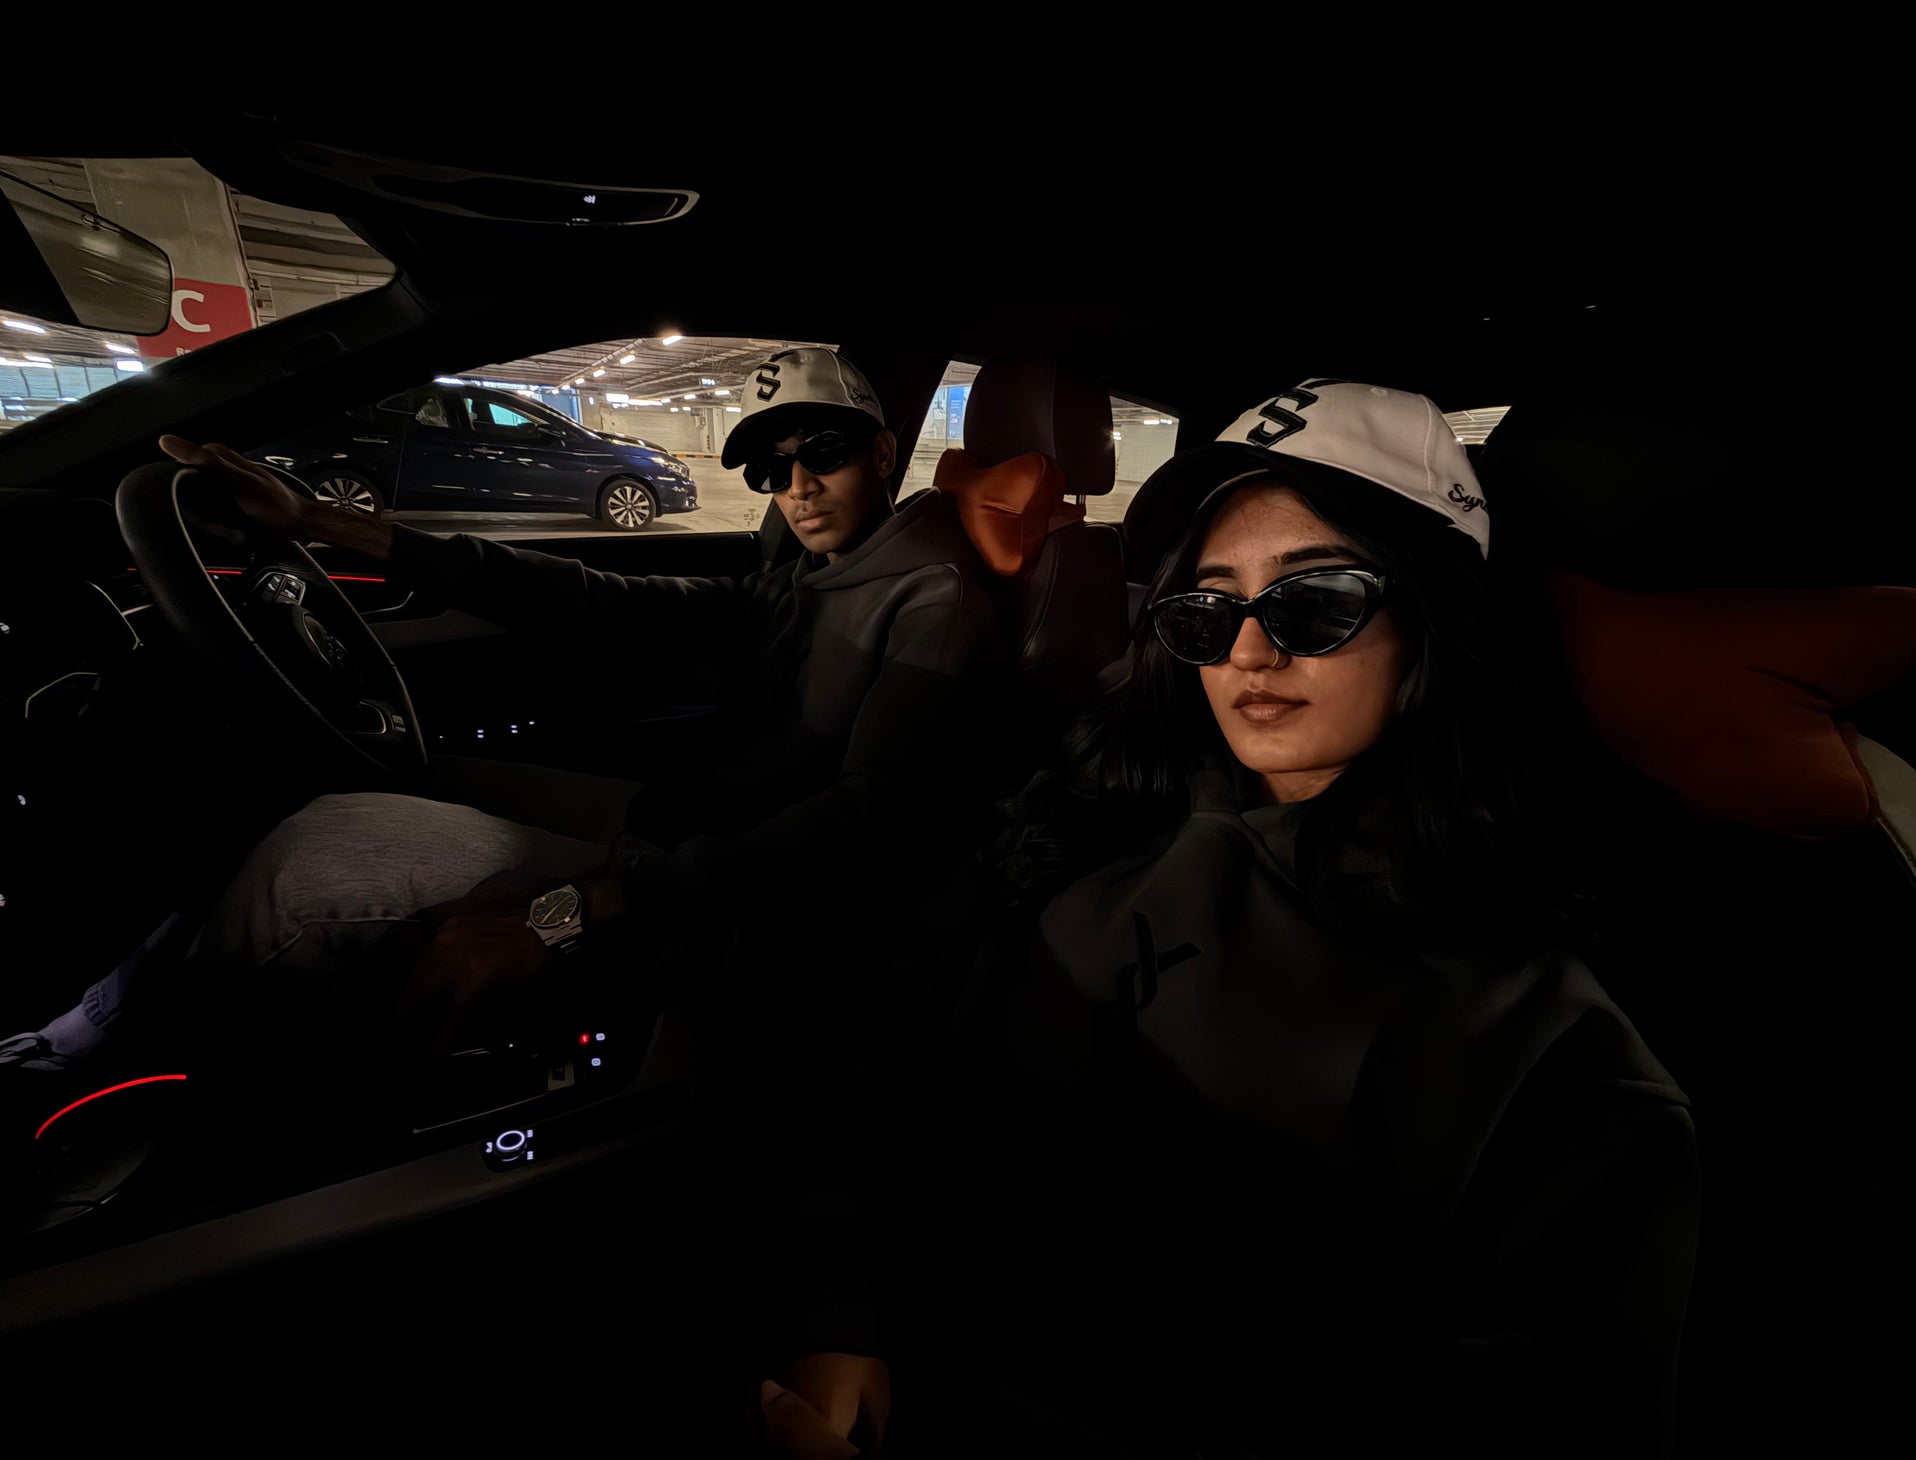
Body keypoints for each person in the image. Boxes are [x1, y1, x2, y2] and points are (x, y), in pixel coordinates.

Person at [756, 381, 1699, 1458]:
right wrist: (838, 1312)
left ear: (1434, 615)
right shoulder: (1072, 822)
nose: (1250, 652)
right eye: (1209, 610)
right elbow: (878, 1073)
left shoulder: (1547, 1045)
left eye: (1316, 600)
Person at [3, 347, 1000, 1093]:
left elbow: (871, 816)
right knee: (383, 778)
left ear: (882, 450)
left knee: (301, 872)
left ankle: (203, 1111)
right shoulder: (808, 573)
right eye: (770, 469)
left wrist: (581, 907)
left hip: (742, 903)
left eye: (822, 453)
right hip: (685, 829)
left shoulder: (930, 596)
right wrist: (320, 522)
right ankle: (112, 1014)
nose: (796, 487)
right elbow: (594, 594)